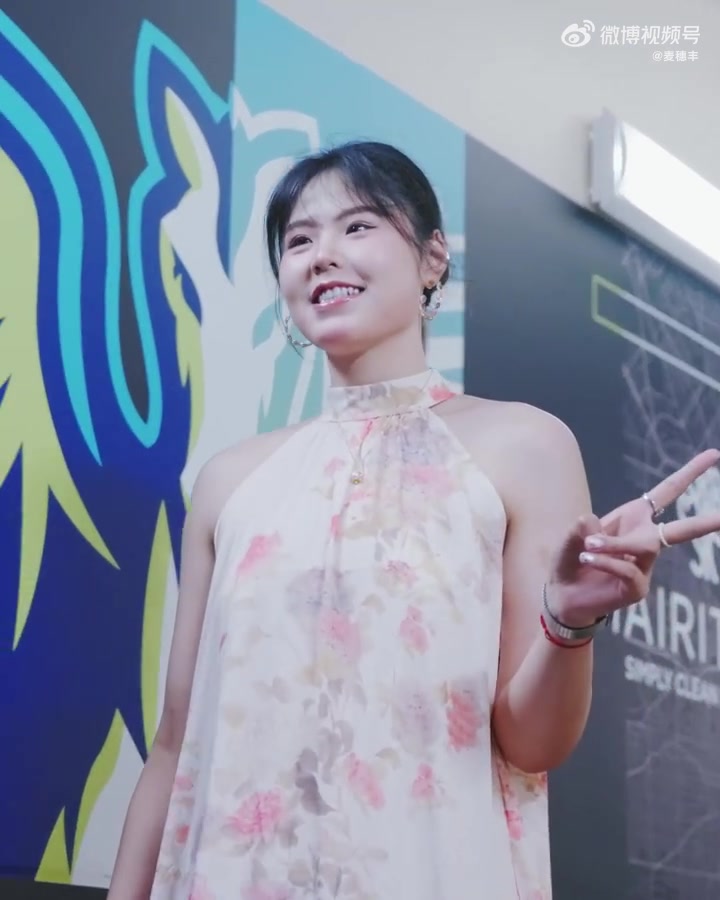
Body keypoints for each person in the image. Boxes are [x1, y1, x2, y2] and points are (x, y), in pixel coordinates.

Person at [107, 140, 720, 899]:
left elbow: (532, 747)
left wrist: (569, 623)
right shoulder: (231, 480)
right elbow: (175, 745)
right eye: (299, 240)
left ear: (433, 258)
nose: (323, 255)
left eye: (358, 226)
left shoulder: (523, 445)